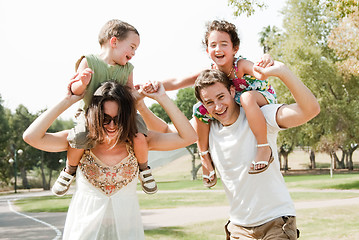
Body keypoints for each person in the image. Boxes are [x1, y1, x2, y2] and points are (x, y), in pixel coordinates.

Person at [23, 72, 197, 239]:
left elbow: (189, 137)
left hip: (126, 231)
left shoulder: (139, 141)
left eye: (118, 118)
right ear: (95, 116)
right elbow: (31, 137)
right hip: (84, 232)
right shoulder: (80, 142)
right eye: (105, 118)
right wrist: (68, 100)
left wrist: (162, 98)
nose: (112, 125)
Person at [193, 61, 320, 239]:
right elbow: (168, 133)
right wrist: (150, 101)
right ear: (203, 106)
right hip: (238, 228)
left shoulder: (262, 115)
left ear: (232, 91)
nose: (218, 107)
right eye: (209, 102)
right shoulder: (207, 129)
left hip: (276, 222)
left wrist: (283, 73)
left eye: (221, 97)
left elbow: (310, 110)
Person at [153, 20, 276, 187]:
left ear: (235, 48)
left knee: (247, 97)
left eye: (224, 44)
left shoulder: (240, 65)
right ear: (207, 50)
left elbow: (260, 73)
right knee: (200, 109)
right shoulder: (210, 72)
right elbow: (178, 81)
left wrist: (266, 60)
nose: (218, 49)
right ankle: (205, 158)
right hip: (234, 100)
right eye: (213, 45)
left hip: (259, 96)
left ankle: (263, 147)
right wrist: (154, 85)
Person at [53, 19, 158, 196]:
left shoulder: (127, 68)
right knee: (79, 136)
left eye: (135, 49)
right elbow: (75, 91)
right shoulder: (89, 61)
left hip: (121, 114)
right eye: (132, 47)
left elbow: (130, 93)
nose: (133, 53)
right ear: (114, 41)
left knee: (140, 136)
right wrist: (82, 82)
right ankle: (69, 170)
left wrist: (141, 92)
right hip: (89, 113)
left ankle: (144, 169)